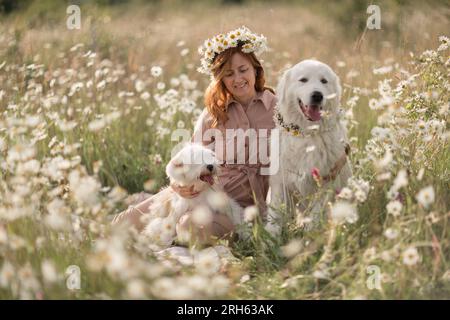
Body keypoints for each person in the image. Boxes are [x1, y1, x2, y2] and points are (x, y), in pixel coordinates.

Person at [112, 26, 277, 245]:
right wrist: (177, 186)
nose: (237, 78)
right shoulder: (214, 114)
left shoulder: (278, 108)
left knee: (190, 228)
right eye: (228, 74)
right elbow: (189, 157)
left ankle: (180, 239)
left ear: (255, 69)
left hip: (240, 212)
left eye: (243, 69)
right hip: (197, 194)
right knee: (120, 224)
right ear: (221, 79)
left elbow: (313, 136)